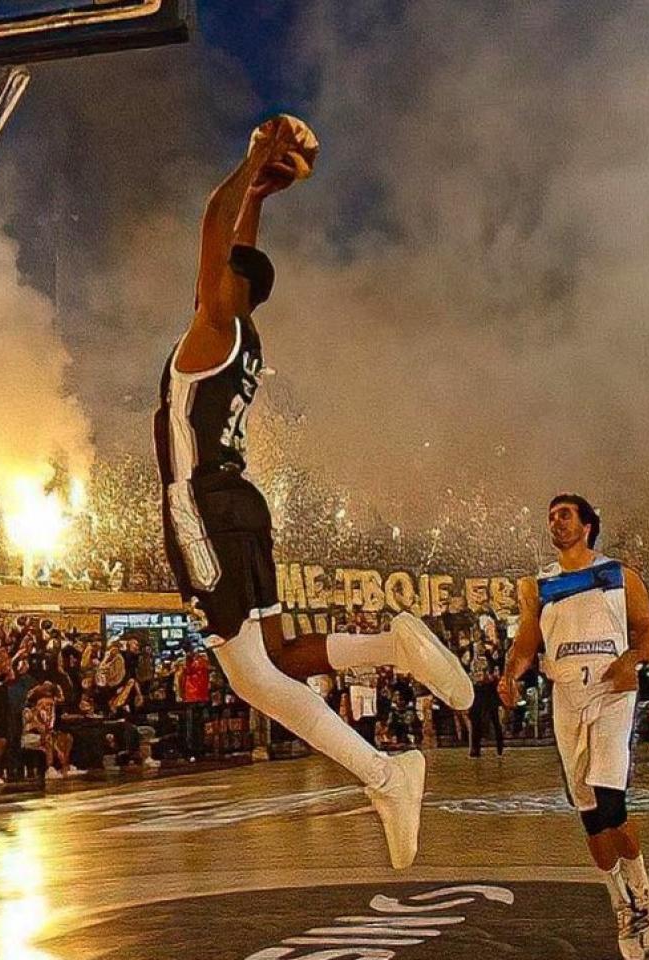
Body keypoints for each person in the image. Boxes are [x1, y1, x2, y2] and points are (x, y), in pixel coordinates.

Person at [153, 114, 473, 869]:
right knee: (280, 655)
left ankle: (385, 774)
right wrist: (261, 196)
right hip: (240, 505)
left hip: (200, 503)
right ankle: (391, 646)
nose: (205, 276)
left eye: (219, 272)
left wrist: (253, 158)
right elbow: (236, 246)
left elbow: (211, 221)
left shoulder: (215, 322)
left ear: (229, 287)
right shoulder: (242, 335)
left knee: (251, 677)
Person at [500, 494, 649, 960]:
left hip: (612, 688)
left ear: (588, 525)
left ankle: (642, 890)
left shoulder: (619, 574)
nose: (555, 522)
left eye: (565, 515)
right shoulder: (538, 586)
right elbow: (526, 643)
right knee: (589, 810)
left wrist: (632, 659)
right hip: (566, 694)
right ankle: (620, 899)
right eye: (551, 516)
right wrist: (510, 674)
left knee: (610, 792)